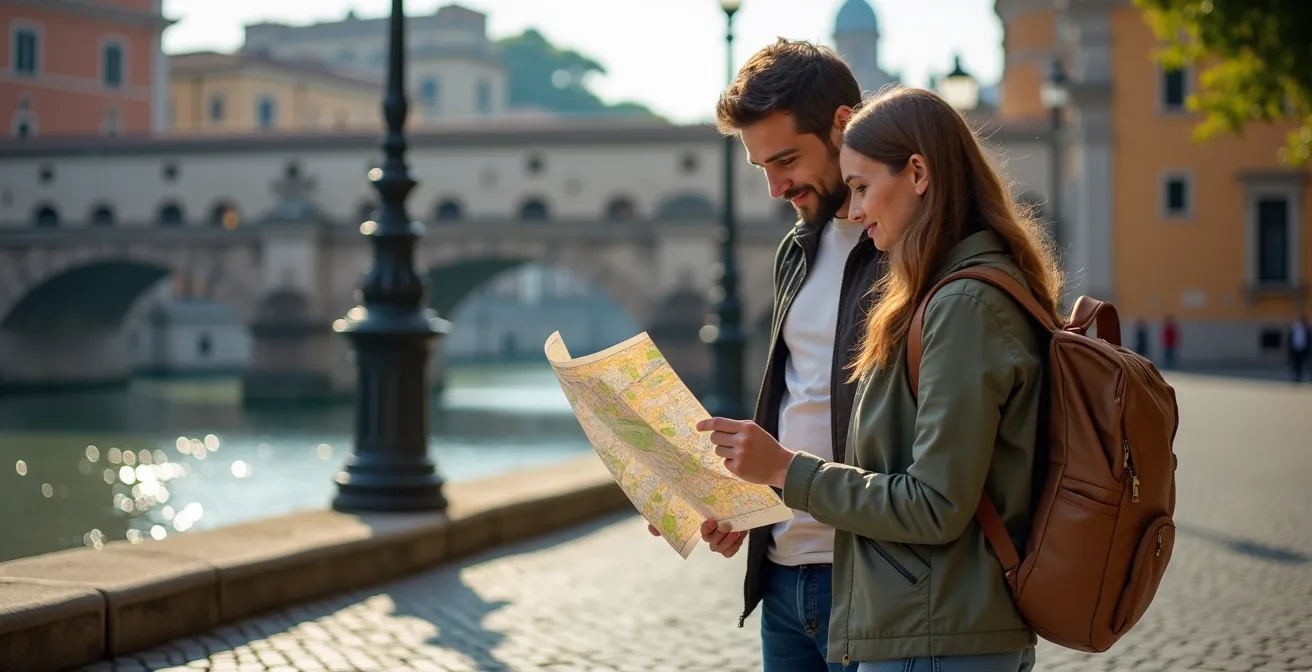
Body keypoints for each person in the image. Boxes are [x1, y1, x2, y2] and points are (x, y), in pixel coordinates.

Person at [700, 86, 1058, 670]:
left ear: (918, 172)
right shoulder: (937, 289)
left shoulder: (961, 303)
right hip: (909, 612)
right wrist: (747, 496)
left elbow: (936, 502)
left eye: (863, 187)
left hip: (929, 621)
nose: (857, 208)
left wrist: (786, 470)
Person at [645, 38, 883, 671]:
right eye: (762, 169)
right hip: (782, 579)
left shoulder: (908, 250)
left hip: (878, 580)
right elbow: (803, 403)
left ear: (842, 126)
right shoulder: (794, 253)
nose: (777, 187)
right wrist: (740, 503)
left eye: (787, 160)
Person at [1290, 313, 1310, 382]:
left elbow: (1309, 339)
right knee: (1297, 364)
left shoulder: (1306, 329)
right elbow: (1290, 339)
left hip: (1304, 349)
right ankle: (1298, 377)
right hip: (1295, 348)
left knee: (1307, 364)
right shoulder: (1294, 329)